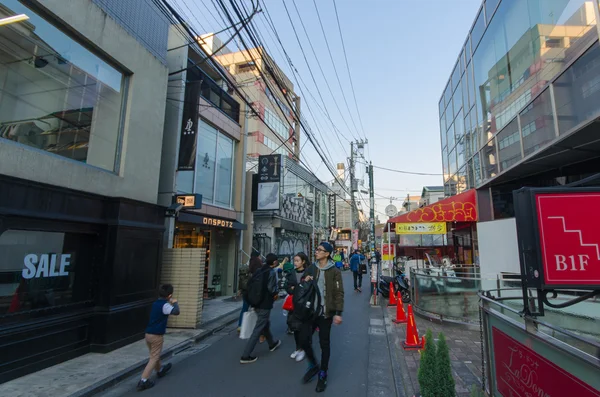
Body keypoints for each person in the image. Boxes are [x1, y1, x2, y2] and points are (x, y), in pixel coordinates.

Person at [300, 242, 344, 393]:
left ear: (327, 254)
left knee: (324, 344)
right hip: (310, 311)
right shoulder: (311, 267)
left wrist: (338, 313)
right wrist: (304, 281)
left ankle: (322, 374)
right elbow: (302, 284)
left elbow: (339, 293)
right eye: (316, 249)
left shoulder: (334, 271)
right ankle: (314, 365)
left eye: (320, 250)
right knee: (303, 340)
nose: (316, 252)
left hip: (325, 313)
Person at [137, 284, 181, 391]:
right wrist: (175, 303)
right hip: (156, 335)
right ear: (169, 295)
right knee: (154, 357)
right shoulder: (164, 305)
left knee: (154, 354)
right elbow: (176, 312)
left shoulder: (155, 303)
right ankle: (144, 380)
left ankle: (160, 369)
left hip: (148, 334)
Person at [240, 253, 282, 364]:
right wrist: (276, 292)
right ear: (274, 262)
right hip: (264, 303)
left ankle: (272, 343)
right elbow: (271, 289)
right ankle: (246, 355)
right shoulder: (271, 272)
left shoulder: (260, 270)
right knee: (258, 328)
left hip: (255, 302)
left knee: (264, 323)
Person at [285, 252, 309, 361]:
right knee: (295, 327)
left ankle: (303, 349)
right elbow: (287, 287)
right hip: (294, 304)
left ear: (303, 261)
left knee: (304, 327)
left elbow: (310, 288)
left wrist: (298, 288)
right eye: (294, 260)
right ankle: (298, 348)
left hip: (305, 304)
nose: (295, 263)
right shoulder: (291, 273)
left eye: (298, 261)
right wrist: (292, 289)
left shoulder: (309, 273)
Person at [238, 250, 263, 332]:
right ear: (258, 256)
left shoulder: (247, 266)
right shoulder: (259, 266)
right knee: (257, 310)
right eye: (259, 256)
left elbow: (241, 280)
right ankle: (256, 327)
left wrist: (240, 290)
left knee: (244, 309)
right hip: (255, 292)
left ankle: (240, 326)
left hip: (246, 291)